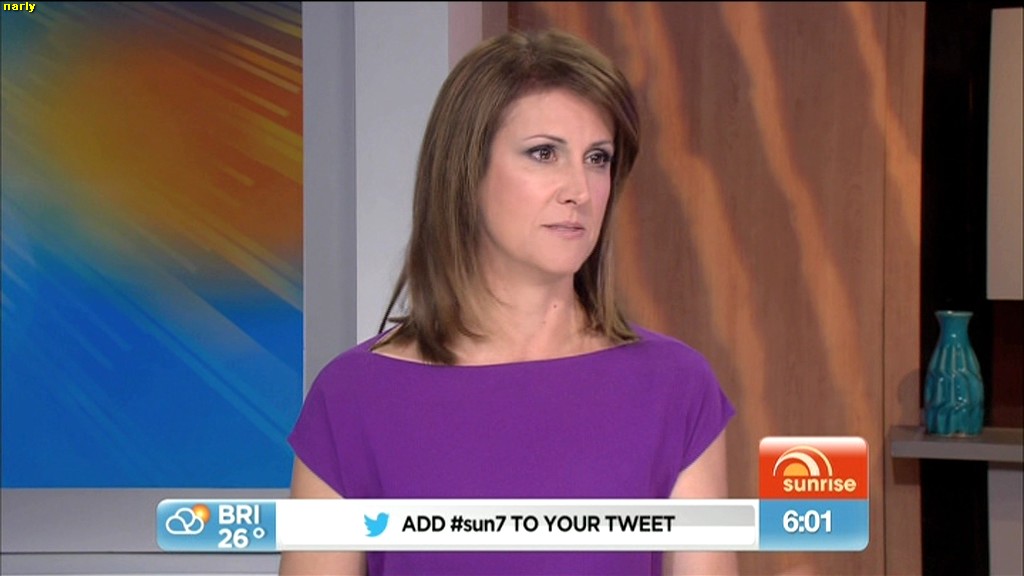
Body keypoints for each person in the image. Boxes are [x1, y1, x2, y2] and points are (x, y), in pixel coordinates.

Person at [279, 28, 736, 576]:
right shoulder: (352, 397)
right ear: (466, 171)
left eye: (598, 158)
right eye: (544, 153)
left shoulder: (676, 389)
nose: (579, 190)